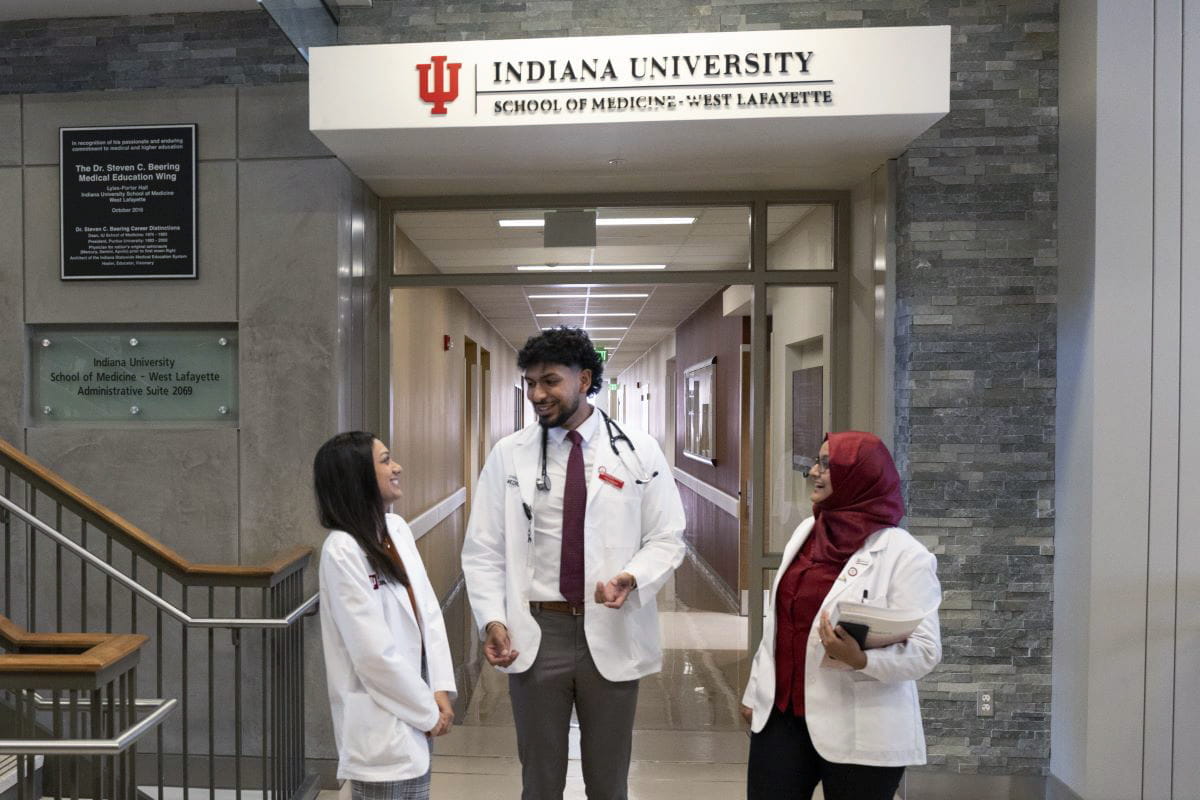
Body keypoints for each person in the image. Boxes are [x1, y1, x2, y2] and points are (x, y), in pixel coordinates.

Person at [461, 326, 686, 800]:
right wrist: (492, 619)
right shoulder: (509, 455)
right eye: (530, 383)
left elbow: (667, 537)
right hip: (539, 632)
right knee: (539, 781)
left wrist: (632, 577)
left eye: (549, 382)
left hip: (611, 622)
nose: (537, 394)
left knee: (609, 782)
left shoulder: (637, 450)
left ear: (584, 380)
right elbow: (483, 549)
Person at [741, 431, 941, 800]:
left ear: (859, 475)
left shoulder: (904, 555)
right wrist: (755, 691)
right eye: (817, 462)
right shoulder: (807, 532)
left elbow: (926, 650)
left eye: (828, 464)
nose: (814, 472)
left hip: (860, 727)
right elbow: (778, 625)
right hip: (782, 718)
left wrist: (862, 659)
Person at [314, 431, 456, 800]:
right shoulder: (342, 551)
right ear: (358, 476)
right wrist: (427, 712)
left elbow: (428, 611)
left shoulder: (395, 529)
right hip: (384, 718)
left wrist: (439, 688)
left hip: (418, 701)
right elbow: (372, 655)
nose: (398, 467)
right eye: (385, 461)